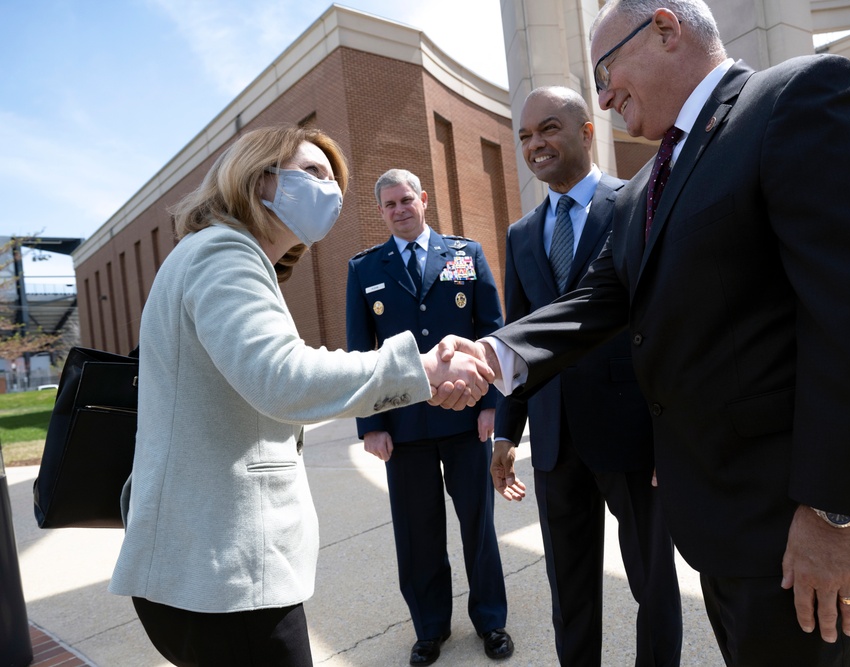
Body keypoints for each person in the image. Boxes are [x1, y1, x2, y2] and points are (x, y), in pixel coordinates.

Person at [440, 1, 850, 665]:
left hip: (809, 525)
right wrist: (493, 353)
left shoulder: (797, 99)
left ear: (667, 29)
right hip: (728, 530)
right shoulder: (647, 182)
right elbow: (602, 297)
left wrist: (836, 512)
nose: (606, 92)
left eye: (607, 68)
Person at [108, 126, 493, 667]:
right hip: (224, 575)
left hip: (206, 571)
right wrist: (421, 367)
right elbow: (281, 377)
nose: (331, 189)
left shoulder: (216, 255)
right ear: (259, 178)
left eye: (335, 179)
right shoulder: (224, 253)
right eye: (313, 172)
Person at [492, 85, 682, 666]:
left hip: (631, 437)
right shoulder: (522, 235)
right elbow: (521, 334)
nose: (535, 144)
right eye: (524, 135)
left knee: (653, 585)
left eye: (548, 128)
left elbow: (663, 323)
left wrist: (668, 434)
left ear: (586, 132)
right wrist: (506, 432)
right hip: (553, 442)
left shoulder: (637, 204)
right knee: (569, 591)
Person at [345, 168, 513, 665]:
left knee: (478, 527)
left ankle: (491, 621)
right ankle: (430, 628)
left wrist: (491, 407)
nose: (399, 209)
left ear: (424, 199)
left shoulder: (465, 256)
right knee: (417, 533)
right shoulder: (364, 269)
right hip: (404, 427)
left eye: (406, 200)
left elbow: (491, 330)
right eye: (389, 204)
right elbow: (360, 351)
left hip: (465, 420)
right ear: (381, 211)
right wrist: (369, 424)